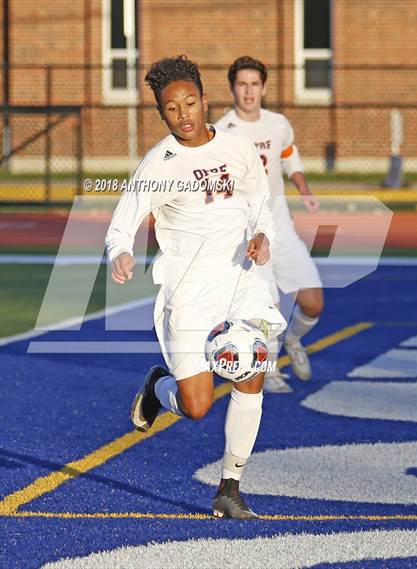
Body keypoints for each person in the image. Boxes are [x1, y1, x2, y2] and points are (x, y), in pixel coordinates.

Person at [106, 55, 286, 519]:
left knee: (252, 367)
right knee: (197, 406)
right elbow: (121, 225)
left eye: (190, 102)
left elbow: (259, 203)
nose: (183, 113)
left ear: (206, 100)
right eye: (171, 108)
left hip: (240, 282)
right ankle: (157, 387)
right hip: (187, 295)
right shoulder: (158, 164)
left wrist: (262, 234)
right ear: (161, 113)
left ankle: (230, 487)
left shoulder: (237, 149)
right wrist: (120, 253)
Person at [216, 56, 324, 393]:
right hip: (249, 230)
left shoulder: (278, 124)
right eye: (242, 84)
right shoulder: (222, 131)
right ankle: (270, 367)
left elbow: (290, 155)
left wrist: (303, 188)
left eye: (254, 84)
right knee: (268, 305)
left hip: (282, 224)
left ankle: (294, 341)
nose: (248, 91)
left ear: (263, 87)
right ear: (233, 87)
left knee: (313, 301)